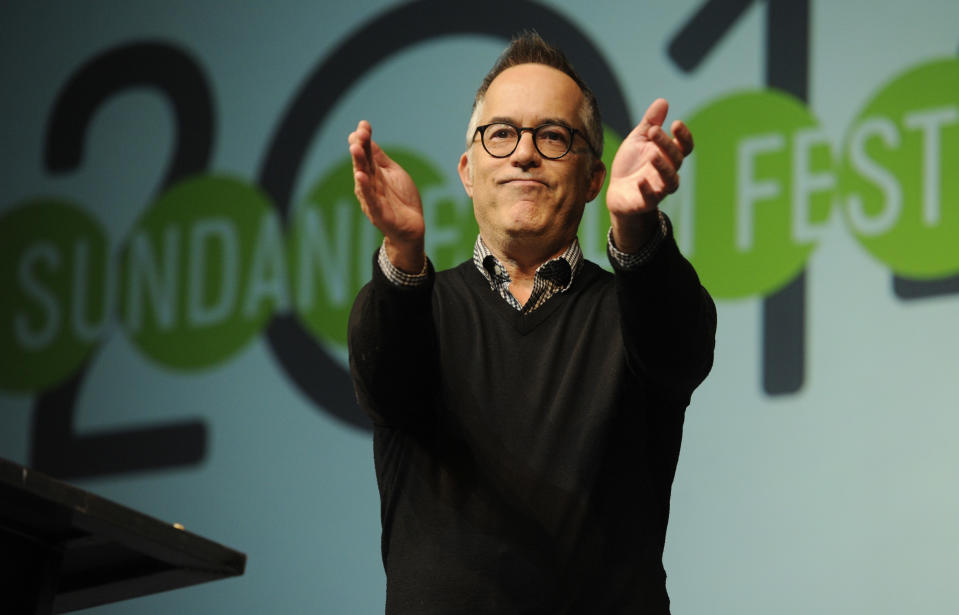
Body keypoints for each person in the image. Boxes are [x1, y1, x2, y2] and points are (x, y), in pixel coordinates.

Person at [347, 31, 716, 614]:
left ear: (594, 178)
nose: (524, 153)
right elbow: (384, 381)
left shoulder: (637, 310)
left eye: (552, 135)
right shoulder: (416, 304)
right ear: (468, 171)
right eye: (501, 134)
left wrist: (636, 232)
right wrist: (402, 250)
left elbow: (681, 349)